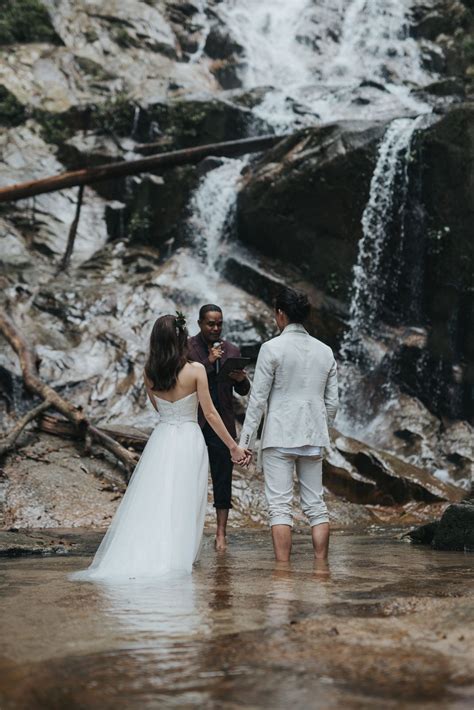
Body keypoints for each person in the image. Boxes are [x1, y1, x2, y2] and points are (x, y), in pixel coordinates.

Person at [72, 313, 250, 581]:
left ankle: (153, 552)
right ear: (182, 339)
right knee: (186, 499)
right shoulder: (196, 370)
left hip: (162, 438)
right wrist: (234, 447)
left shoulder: (149, 373)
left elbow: (159, 408)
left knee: (158, 497)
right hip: (190, 438)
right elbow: (211, 414)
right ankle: (180, 557)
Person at [239, 287, 338, 562]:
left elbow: (257, 401)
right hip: (313, 436)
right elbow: (333, 404)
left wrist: (243, 444)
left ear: (280, 314)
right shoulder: (325, 351)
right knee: (316, 506)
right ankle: (321, 569)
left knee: (280, 508)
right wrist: (321, 428)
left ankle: (282, 573)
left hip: (279, 435)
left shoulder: (271, 349)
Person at [188, 304, 250, 550]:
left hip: (223, 423)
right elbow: (183, 382)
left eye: (219, 323)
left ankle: (221, 533)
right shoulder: (188, 348)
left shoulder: (232, 350)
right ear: (200, 323)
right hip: (194, 421)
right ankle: (190, 530)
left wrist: (242, 379)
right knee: (192, 477)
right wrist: (207, 361)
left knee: (223, 477)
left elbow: (244, 391)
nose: (215, 328)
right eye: (210, 323)